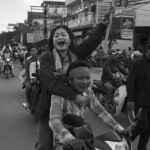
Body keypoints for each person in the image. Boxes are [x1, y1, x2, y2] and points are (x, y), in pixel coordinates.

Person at [35, 6, 115, 150]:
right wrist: (73, 95)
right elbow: (49, 81)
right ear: (52, 41)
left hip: (73, 108)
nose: (60, 37)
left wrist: (103, 23)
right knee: (44, 145)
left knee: (81, 143)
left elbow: (92, 42)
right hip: (49, 106)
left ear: (70, 40)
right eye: (56, 35)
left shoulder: (77, 53)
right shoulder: (46, 57)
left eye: (63, 35)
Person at [49, 60, 125, 150]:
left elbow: (100, 111)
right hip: (64, 142)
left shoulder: (88, 91)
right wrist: (70, 139)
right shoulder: (59, 94)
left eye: (87, 78)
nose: (85, 82)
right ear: (70, 80)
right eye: (80, 78)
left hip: (82, 134)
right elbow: (54, 120)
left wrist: (119, 128)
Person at [127, 39, 150, 150]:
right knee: (143, 125)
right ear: (147, 50)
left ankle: (141, 148)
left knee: (148, 129)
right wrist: (130, 99)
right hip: (140, 102)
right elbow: (130, 82)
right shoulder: (137, 63)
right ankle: (126, 138)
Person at [23, 45, 38, 111]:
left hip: (39, 78)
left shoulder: (40, 59)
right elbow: (27, 72)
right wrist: (31, 80)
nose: (34, 52)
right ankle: (28, 102)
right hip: (29, 78)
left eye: (35, 50)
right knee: (29, 88)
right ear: (30, 52)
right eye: (32, 51)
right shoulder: (28, 61)